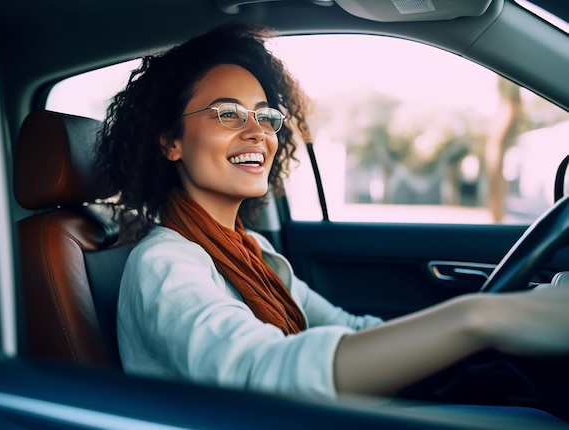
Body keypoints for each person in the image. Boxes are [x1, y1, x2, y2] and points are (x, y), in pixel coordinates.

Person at [94, 23, 569, 401]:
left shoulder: (252, 250)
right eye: (227, 114)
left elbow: (347, 329)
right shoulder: (163, 264)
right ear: (170, 141)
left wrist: (463, 342)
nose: (258, 132)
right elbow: (259, 372)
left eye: (266, 115)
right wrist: (481, 319)